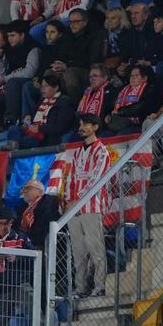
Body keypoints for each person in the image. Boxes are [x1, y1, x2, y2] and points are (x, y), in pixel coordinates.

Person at [62, 114, 111, 296]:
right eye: (80, 124)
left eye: (85, 124)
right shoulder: (77, 153)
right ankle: (80, 288)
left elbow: (96, 179)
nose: (81, 127)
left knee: (95, 247)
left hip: (92, 206)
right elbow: (71, 180)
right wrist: (68, 201)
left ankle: (100, 286)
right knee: (78, 251)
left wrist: (77, 199)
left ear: (95, 127)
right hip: (74, 209)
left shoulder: (102, 151)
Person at [11, 73, 76, 149]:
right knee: (13, 129)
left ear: (56, 87)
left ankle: (14, 149)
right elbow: (36, 119)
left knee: (28, 140)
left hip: (46, 136)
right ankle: (14, 147)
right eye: (42, 86)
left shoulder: (65, 102)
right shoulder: (42, 101)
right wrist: (28, 122)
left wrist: (39, 129)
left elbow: (60, 127)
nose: (43, 89)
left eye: (46, 86)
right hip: (34, 132)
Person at [103, 63, 157, 135]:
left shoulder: (149, 90)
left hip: (137, 124)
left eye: (136, 75)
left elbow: (141, 107)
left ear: (144, 78)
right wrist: (107, 114)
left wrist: (120, 113)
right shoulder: (124, 89)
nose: (132, 78)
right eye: (131, 76)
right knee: (104, 136)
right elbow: (112, 104)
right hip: (119, 122)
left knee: (120, 135)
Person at [17, 178, 60, 250]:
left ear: (40, 192)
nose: (24, 191)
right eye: (23, 189)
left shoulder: (48, 205)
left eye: (28, 188)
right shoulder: (22, 209)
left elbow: (43, 229)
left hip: (45, 249)